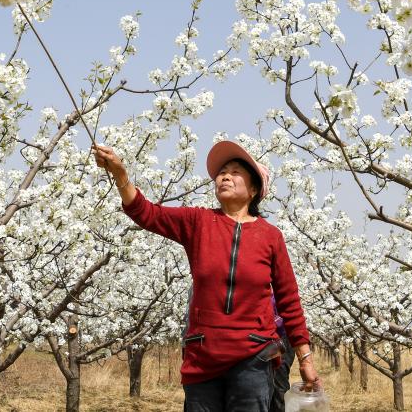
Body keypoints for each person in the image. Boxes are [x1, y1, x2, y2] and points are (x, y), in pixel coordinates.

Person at [94, 140, 321, 412]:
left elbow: (289, 301)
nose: (224, 176)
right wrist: (121, 175)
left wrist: (304, 357)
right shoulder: (198, 222)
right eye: (222, 172)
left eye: (235, 171)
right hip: (203, 355)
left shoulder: (270, 237)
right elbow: (146, 213)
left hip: (254, 358)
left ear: (253, 190)